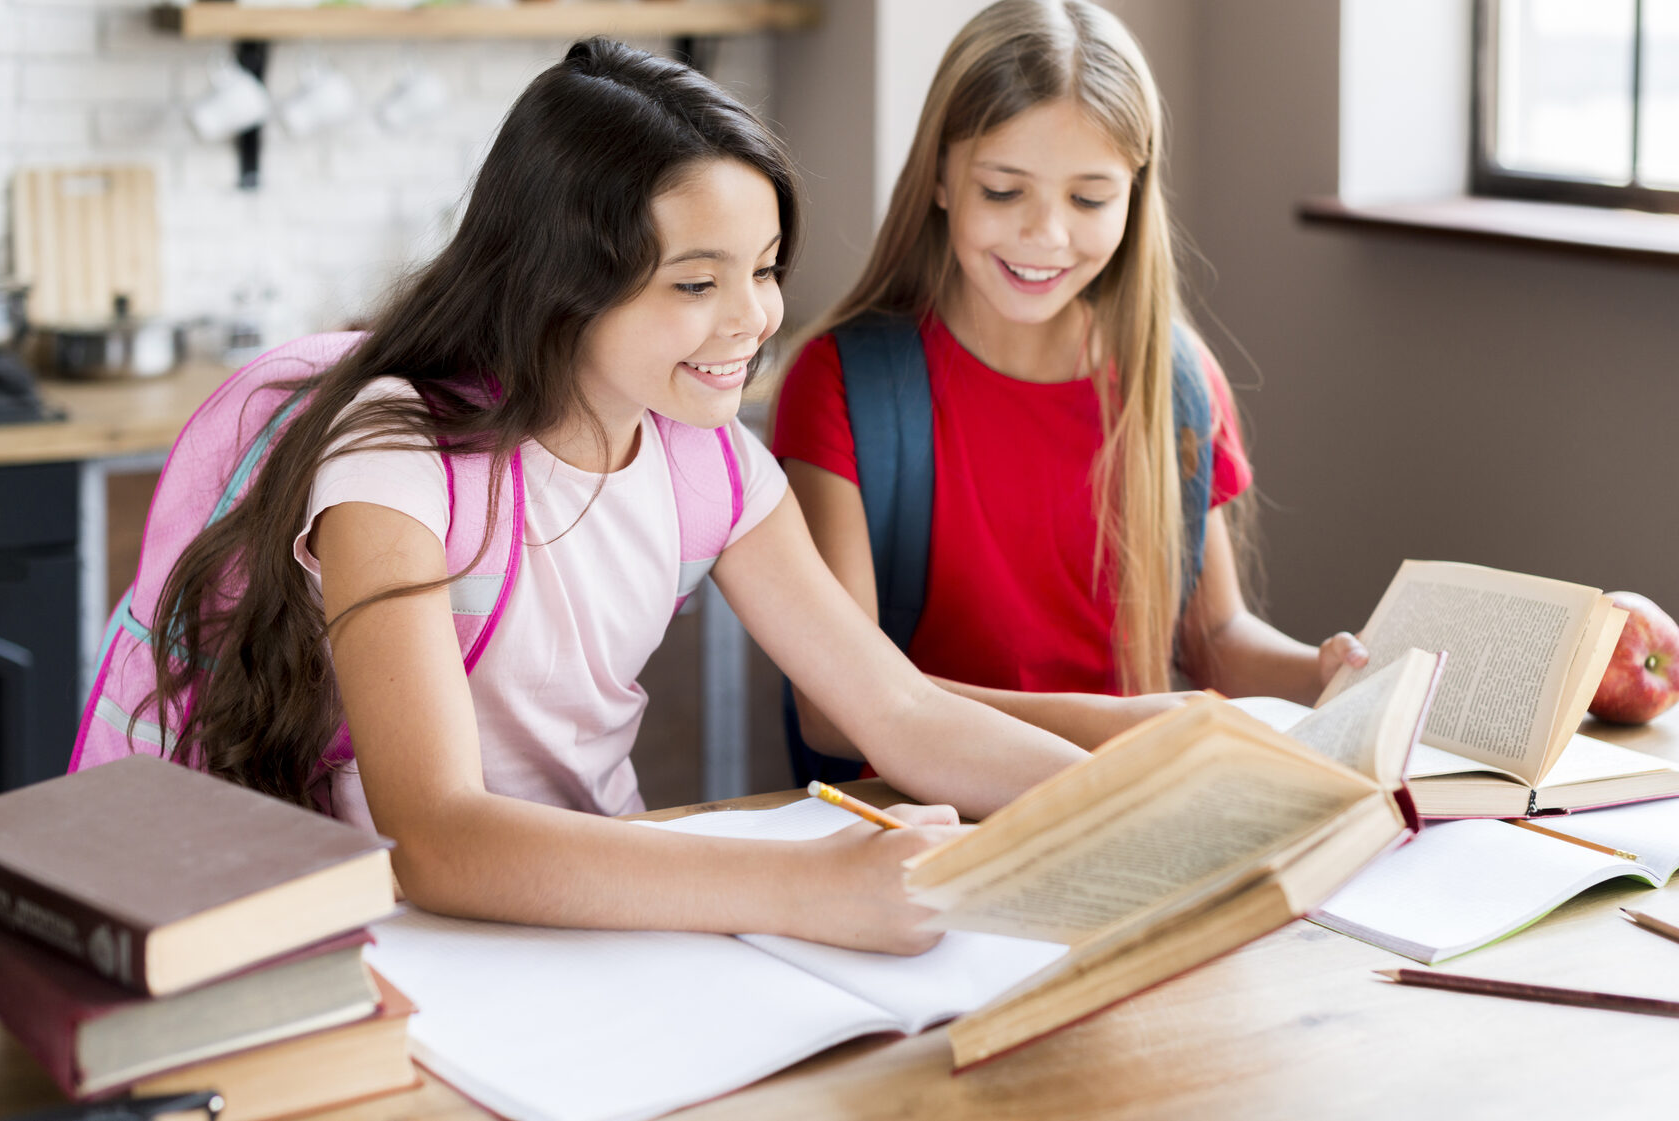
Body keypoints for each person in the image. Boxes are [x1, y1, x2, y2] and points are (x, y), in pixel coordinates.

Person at [91, 40, 1087, 955]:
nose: (752, 318)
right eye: (695, 284)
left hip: (588, 918)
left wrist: (1133, 807)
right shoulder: (397, 457)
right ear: (565, 284)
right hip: (367, 935)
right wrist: (805, 885)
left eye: (765, 269)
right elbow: (434, 834)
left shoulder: (710, 458)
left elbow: (900, 709)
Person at [771, 0, 1365, 773]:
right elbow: (834, 708)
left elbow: (1216, 640)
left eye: (1089, 199)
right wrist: (1115, 725)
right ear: (942, 177)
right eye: (1003, 191)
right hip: (925, 823)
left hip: (1123, 807)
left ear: (1133, 196)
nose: (1046, 234)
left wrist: (1322, 673)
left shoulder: (1172, 378)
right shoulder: (842, 384)